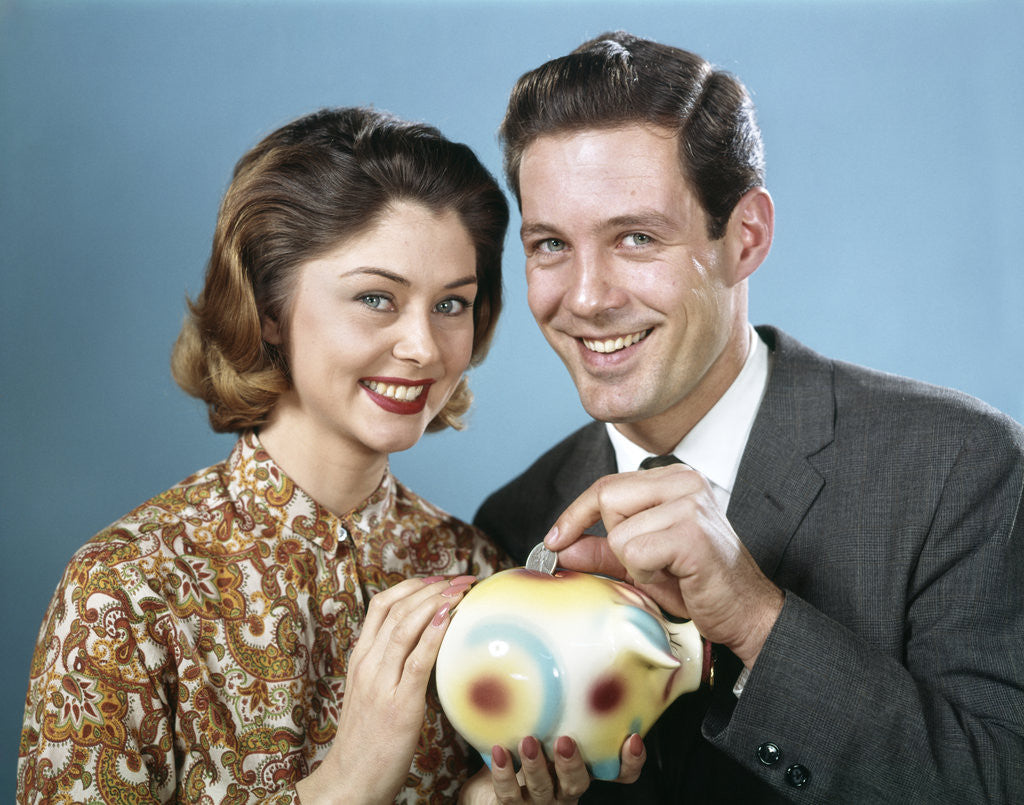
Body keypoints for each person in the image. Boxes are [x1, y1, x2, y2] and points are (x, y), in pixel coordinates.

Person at [475, 32, 1024, 803]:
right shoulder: (514, 520)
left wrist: (756, 616)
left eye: (636, 237)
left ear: (746, 237)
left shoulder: (957, 466)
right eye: (550, 244)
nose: (589, 296)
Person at [16, 107, 618, 805]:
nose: (424, 347)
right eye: (376, 297)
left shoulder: (478, 569)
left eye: (452, 304)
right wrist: (348, 782)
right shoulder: (123, 591)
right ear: (270, 307)